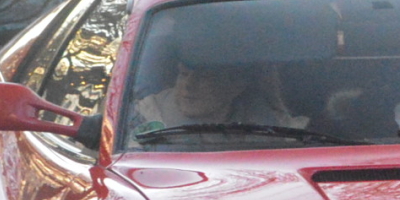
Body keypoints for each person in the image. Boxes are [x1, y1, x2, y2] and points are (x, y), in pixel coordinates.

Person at [130, 56, 305, 132]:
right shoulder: (145, 114)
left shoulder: (272, 125)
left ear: (237, 85)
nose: (189, 86)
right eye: (183, 74)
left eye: (204, 78)